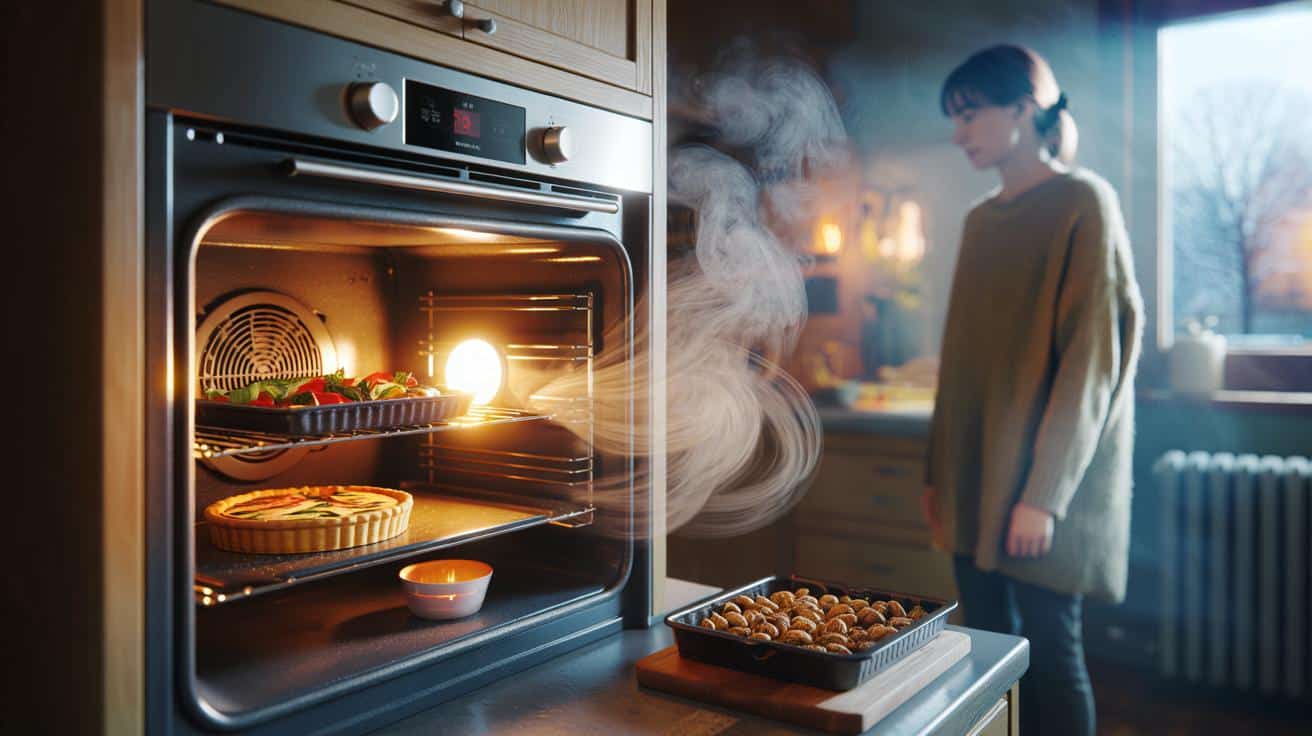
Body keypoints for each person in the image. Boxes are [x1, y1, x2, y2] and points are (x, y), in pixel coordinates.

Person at [922, 45, 1144, 736]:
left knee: (1053, 658)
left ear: (1024, 109)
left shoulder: (1084, 202)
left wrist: (1042, 497)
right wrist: (938, 473)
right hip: (974, 478)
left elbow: (1092, 364)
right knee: (987, 654)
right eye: (953, 118)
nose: (958, 132)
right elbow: (959, 364)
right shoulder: (980, 221)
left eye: (971, 113)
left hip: (1050, 490)